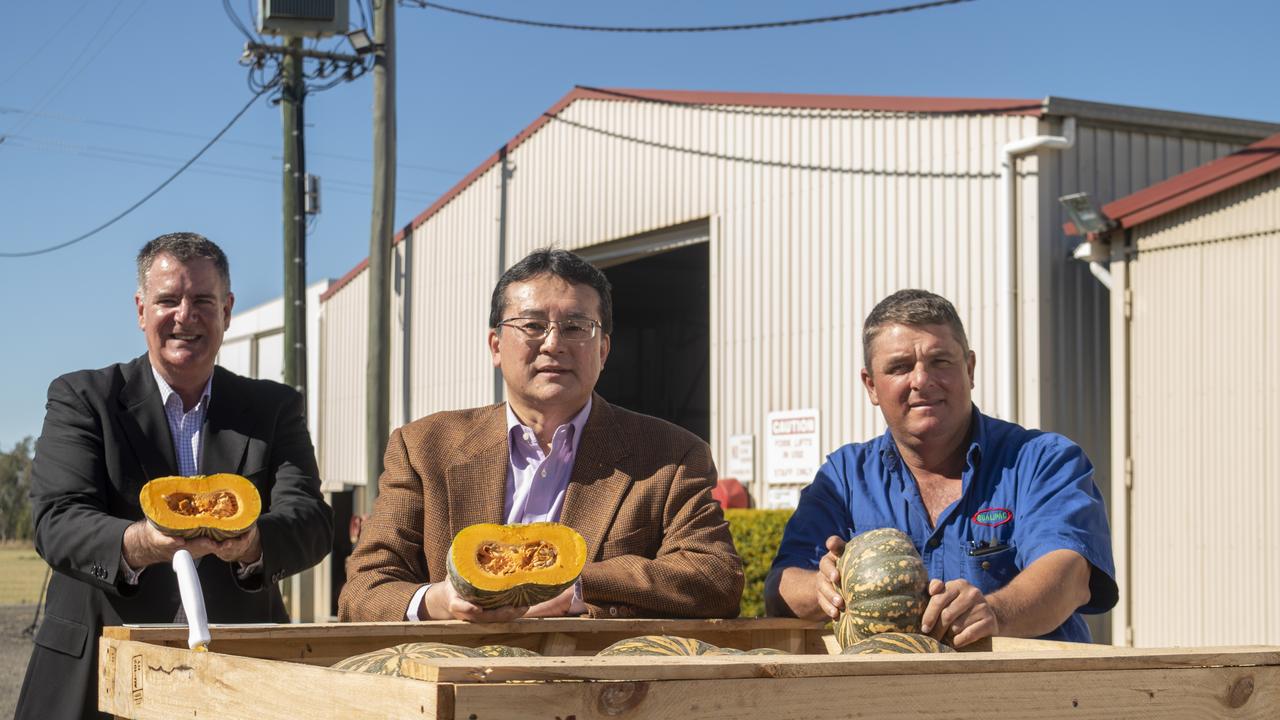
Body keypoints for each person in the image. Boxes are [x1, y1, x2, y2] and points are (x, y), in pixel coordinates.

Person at [16, 233, 333, 720]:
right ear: (141, 310)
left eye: (203, 300)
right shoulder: (82, 398)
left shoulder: (274, 408)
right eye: (168, 300)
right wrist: (142, 541)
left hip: (239, 674)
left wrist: (249, 543)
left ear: (226, 310)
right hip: (98, 671)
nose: (185, 315)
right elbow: (56, 520)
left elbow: (311, 521)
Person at [339, 248, 743, 622]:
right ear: (496, 346)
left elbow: (715, 578)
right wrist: (438, 601)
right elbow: (363, 588)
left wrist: (578, 586)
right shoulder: (424, 448)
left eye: (575, 327)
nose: (553, 343)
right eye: (532, 325)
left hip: (601, 690)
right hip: (459, 682)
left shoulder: (670, 454)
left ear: (603, 350)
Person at [764, 289, 1116, 645]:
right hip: (887, 696)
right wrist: (821, 588)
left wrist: (994, 612)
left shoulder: (1042, 461)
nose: (921, 380)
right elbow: (781, 587)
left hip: (1027, 693)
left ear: (970, 368)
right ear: (871, 385)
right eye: (900, 367)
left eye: (940, 361)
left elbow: (1069, 575)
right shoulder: (843, 478)